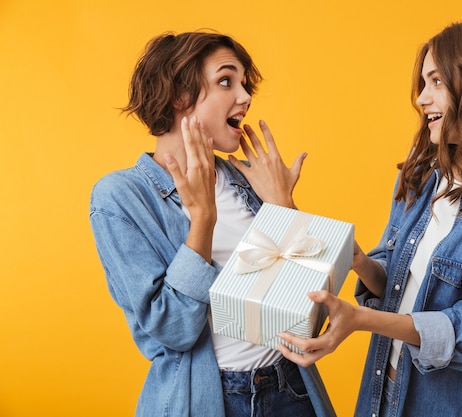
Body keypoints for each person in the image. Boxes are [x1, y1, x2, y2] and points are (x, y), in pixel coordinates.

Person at [278, 16, 462, 417]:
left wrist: (363, 319)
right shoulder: (421, 173)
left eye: (436, 82)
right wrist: (362, 263)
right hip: (387, 391)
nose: (421, 98)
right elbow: (397, 283)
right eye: (423, 83)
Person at [89, 31, 335, 417]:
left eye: (243, 83)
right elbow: (174, 330)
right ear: (179, 96)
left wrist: (285, 209)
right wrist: (202, 219)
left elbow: (309, 319)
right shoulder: (120, 198)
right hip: (211, 399)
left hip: (293, 392)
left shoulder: (248, 179)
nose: (245, 96)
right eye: (226, 81)